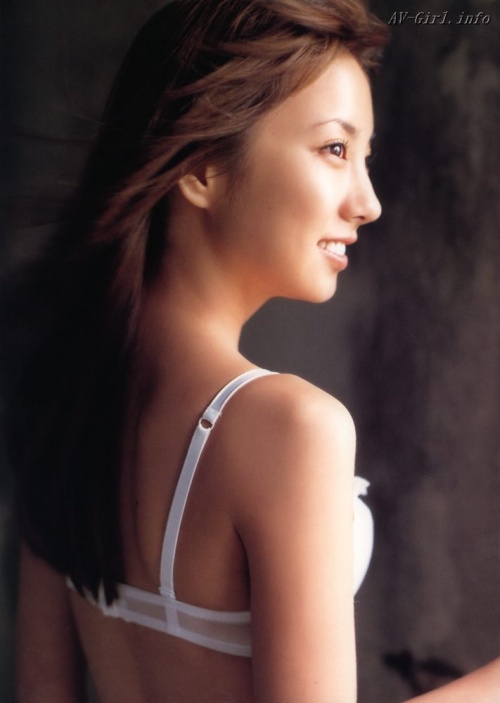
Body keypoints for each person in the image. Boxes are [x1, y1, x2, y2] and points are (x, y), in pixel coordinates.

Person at [9, 1, 499, 702]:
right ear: (202, 167)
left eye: (365, 157)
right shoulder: (292, 427)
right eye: (335, 149)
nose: (367, 202)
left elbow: (41, 690)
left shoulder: (62, 398)